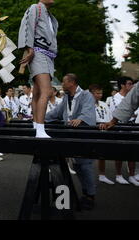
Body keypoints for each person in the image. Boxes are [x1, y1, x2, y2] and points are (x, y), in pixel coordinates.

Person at [45, 74, 97, 209]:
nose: (62, 84)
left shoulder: (86, 95)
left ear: (71, 83)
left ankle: (90, 195)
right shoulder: (66, 97)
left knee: (85, 166)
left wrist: (81, 118)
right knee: (78, 166)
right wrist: (41, 118)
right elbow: (57, 112)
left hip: (83, 136)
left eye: (63, 82)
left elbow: (88, 112)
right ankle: (85, 193)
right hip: (72, 136)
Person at [18, 0, 58, 138]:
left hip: (48, 55)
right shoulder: (36, 7)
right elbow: (27, 27)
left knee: (38, 91)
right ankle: (40, 129)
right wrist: (29, 49)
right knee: (47, 90)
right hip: (38, 52)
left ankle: (36, 125)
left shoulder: (50, 17)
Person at [103, 77, 138, 186]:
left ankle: (132, 175)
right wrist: (114, 121)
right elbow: (129, 106)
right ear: (122, 85)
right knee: (122, 152)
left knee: (133, 152)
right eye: (129, 83)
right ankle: (119, 175)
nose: (131, 86)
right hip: (122, 126)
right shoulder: (114, 98)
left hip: (132, 125)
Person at [89, 84, 115, 185]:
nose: (100, 95)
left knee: (102, 154)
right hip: (93, 131)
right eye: (97, 93)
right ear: (91, 93)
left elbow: (109, 117)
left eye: (101, 93)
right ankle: (89, 177)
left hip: (104, 131)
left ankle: (102, 175)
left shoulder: (103, 104)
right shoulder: (87, 105)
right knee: (89, 156)